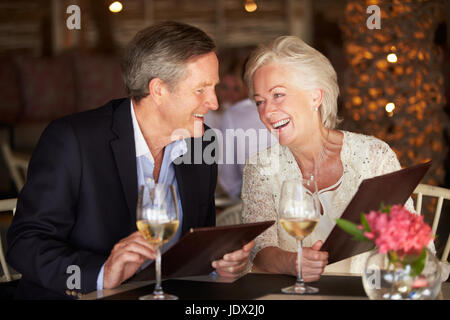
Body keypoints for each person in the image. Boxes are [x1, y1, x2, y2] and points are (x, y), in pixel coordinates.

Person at [6, 21, 254, 299]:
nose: (214, 102)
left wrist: (218, 263)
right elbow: (24, 244)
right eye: (201, 89)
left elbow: (198, 241)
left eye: (214, 87)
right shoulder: (73, 140)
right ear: (158, 90)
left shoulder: (202, 141)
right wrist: (101, 273)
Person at [240, 35, 446, 281]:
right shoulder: (261, 166)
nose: (267, 112)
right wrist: (293, 262)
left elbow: (414, 245)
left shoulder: (374, 155)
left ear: (315, 97)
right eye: (259, 101)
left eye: (278, 95)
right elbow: (260, 249)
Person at [219, 63, 276, 200]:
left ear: (245, 85)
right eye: (225, 88)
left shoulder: (232, 114)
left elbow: (228, 178)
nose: (230, 94)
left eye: (235, 88)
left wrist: (242, 197)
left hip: (248, 201)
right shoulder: (290, 108)